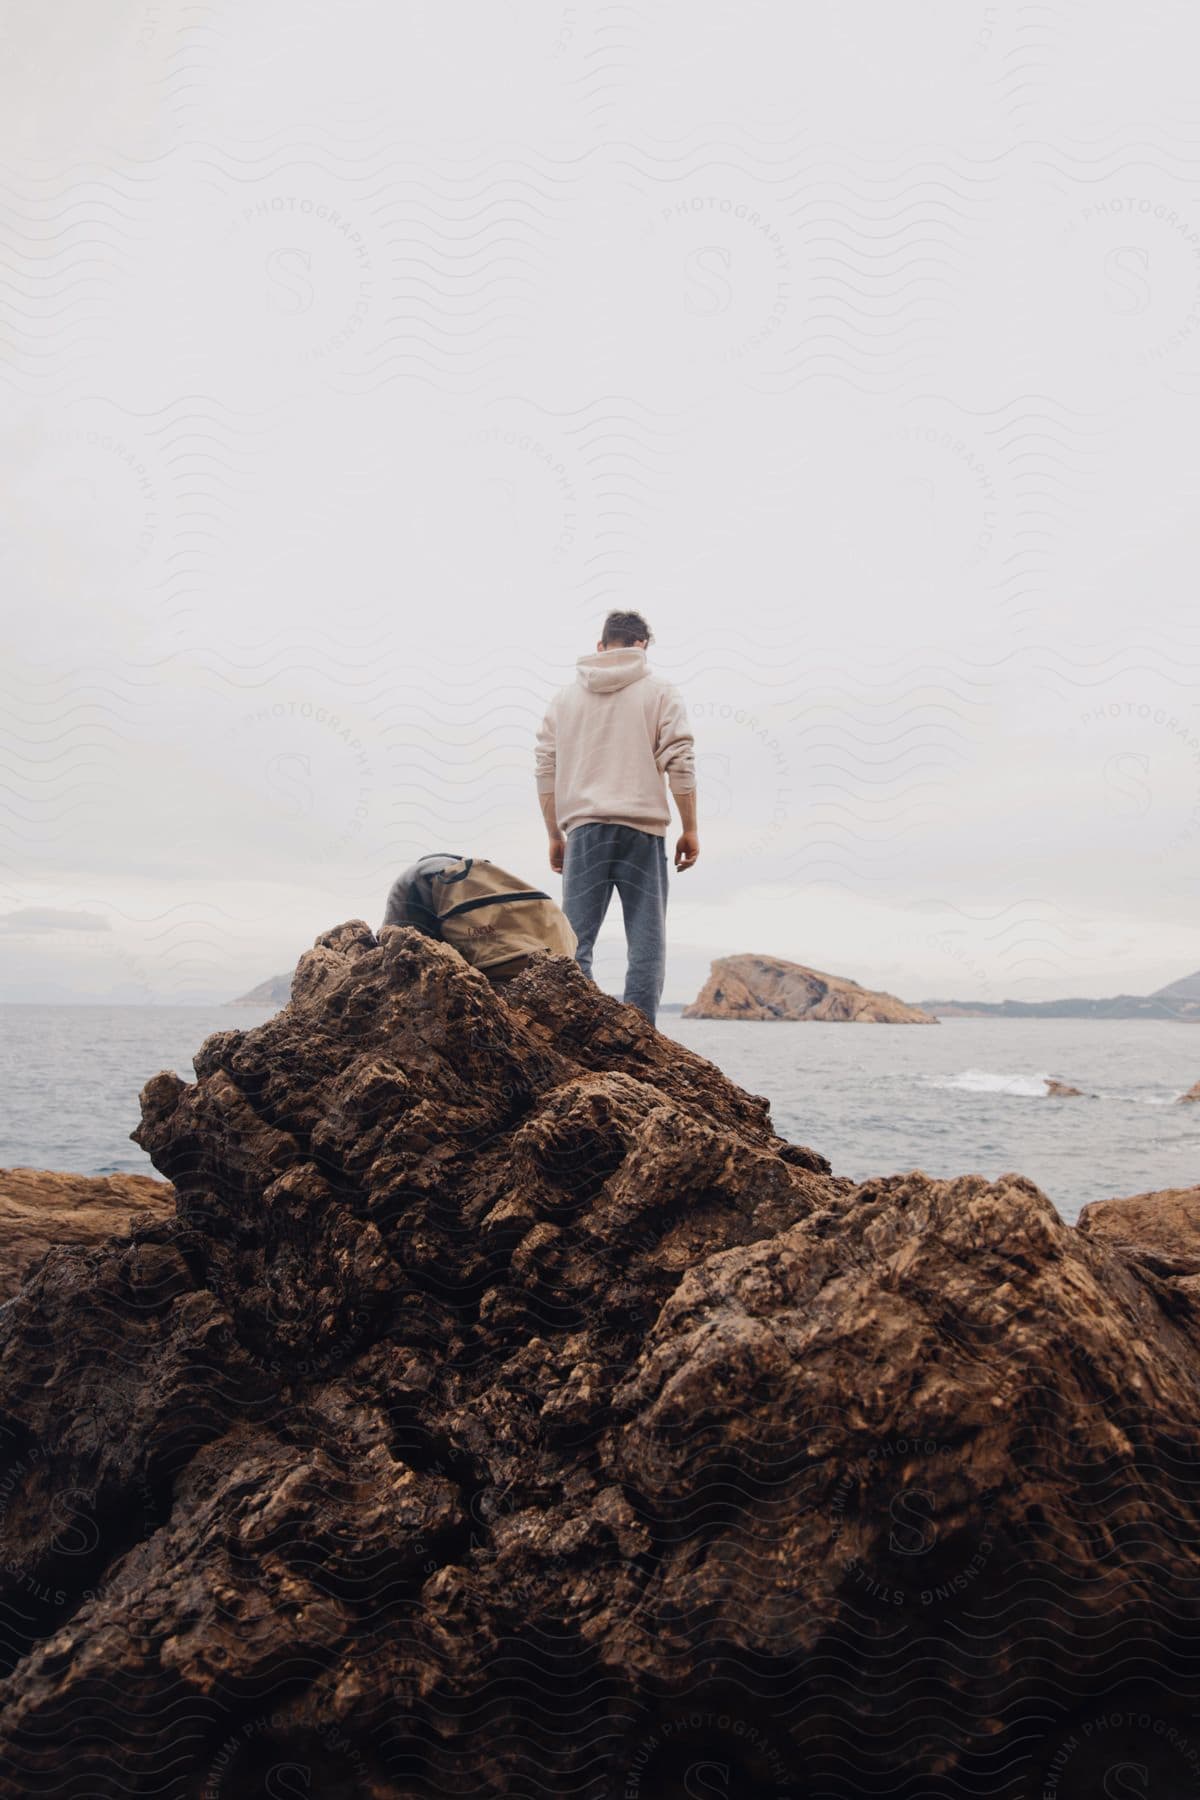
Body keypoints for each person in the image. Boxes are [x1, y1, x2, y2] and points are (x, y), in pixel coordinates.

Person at [534, 610, 698, 1024]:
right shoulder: (660, 691)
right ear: (642, 646)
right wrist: (690, 827)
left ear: (601, 645)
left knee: (573, 944)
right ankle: (639, 1038)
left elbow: (545, 768)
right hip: (642, 832)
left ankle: (580, 1029)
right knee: (646, 945)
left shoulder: (565, 699)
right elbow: (680, 760)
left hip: (585, 829)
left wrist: (554, 833)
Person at [380, 852, 576, 988]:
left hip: (504, 964)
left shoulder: (417, 875)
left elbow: (393, 949)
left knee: (391, 960)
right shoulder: (488, 880)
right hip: (561, 953)